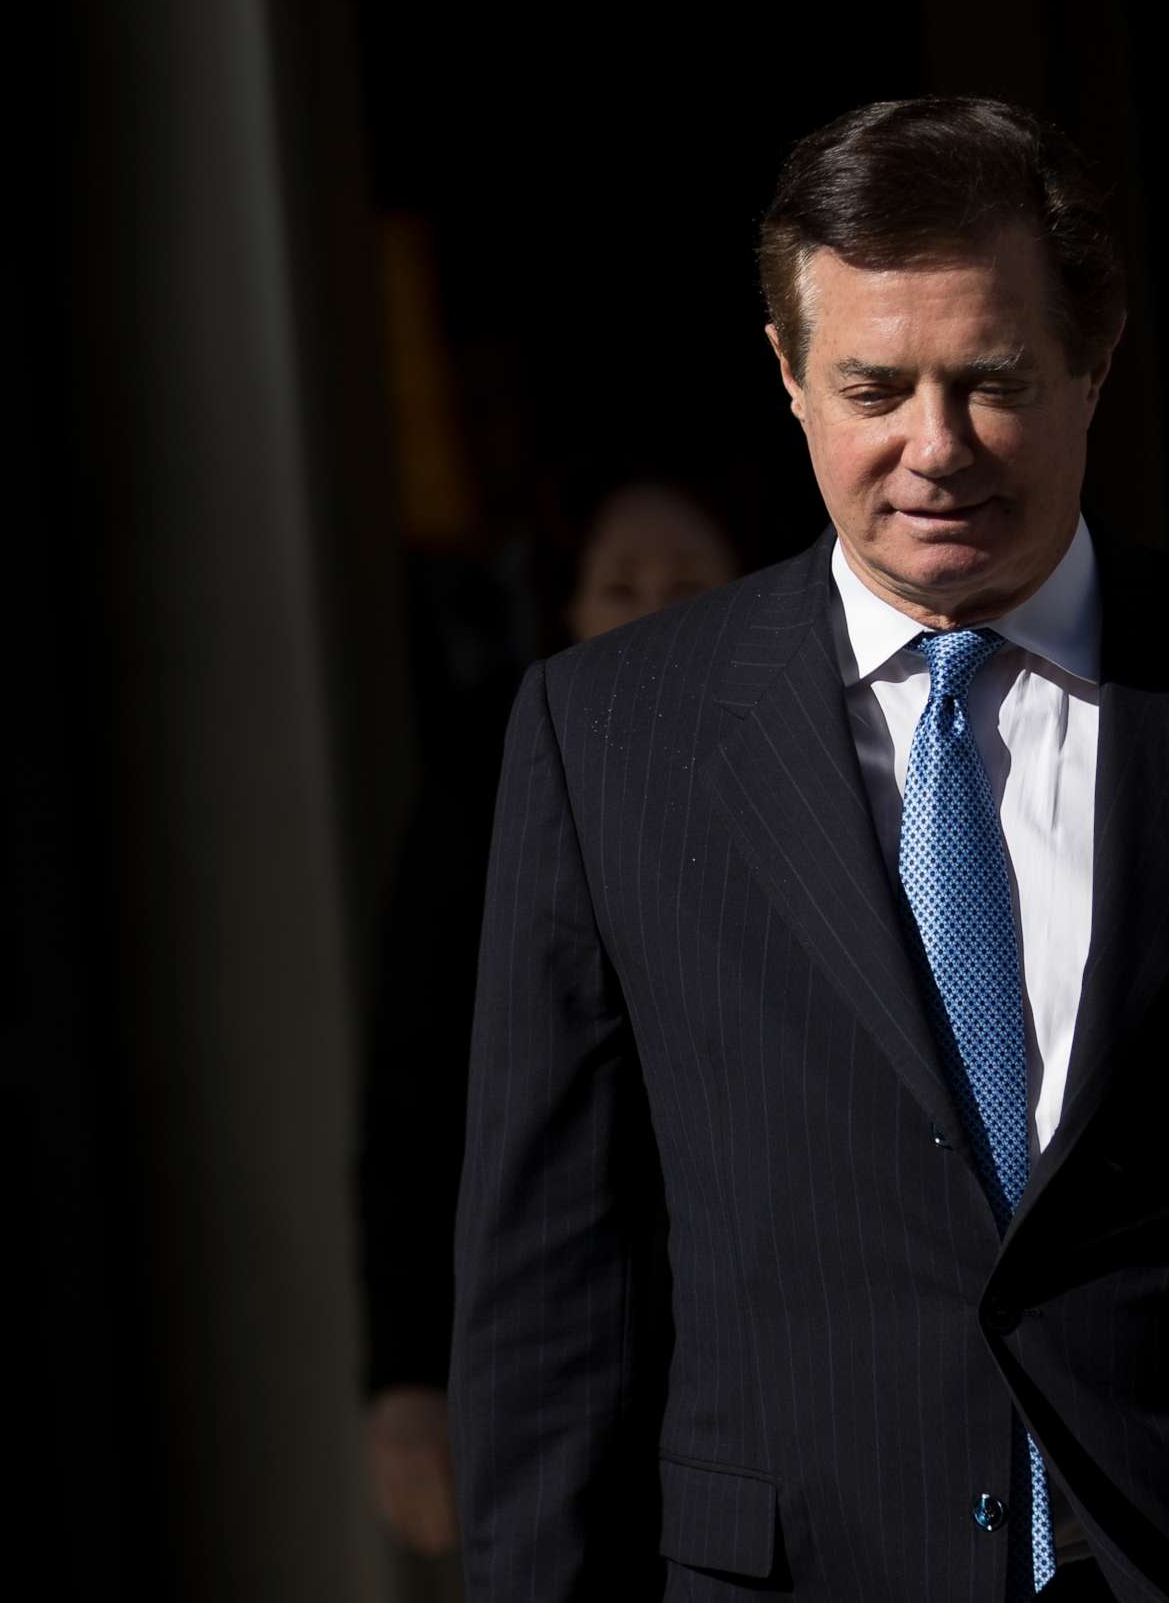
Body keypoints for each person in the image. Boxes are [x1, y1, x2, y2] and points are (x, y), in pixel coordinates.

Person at [449, 97, 1169, 1601]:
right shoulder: (608, 742)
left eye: (990, 382)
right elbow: (551, 1303)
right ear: (788, 375)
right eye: (873, 387)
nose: (933, 451)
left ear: (1092, 365)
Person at [358, 477, 741, 1560]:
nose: (654, 615)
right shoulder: (494, 788)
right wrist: (405, 1378)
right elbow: (415, 1092)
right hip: (570, 1347)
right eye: (619, 589)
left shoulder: (841, 779)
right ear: (568, 618)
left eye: (690, 585)